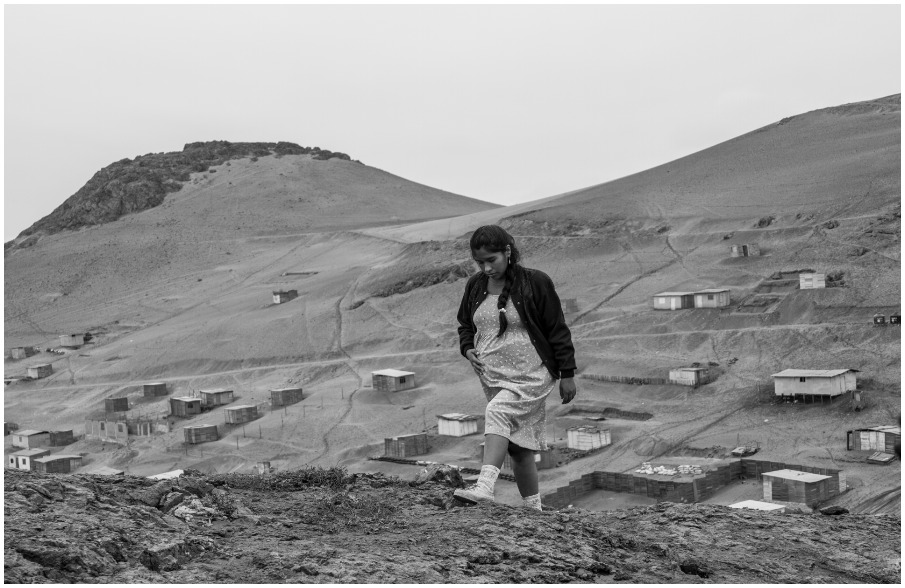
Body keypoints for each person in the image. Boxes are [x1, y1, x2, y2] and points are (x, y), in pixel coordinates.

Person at [454, 225, 577, 511]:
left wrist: (567, 374)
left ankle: (484, 487)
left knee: (497, 412)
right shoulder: (475, 285)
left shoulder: (535, 282)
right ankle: (534, 509)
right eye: (480, 262)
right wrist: (467, 349)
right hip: (493, 377)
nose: (486, 268)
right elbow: (465, 325)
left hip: (531, 373)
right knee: (518, 446)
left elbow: (557, 328)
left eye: (491, 260)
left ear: (507, 252)